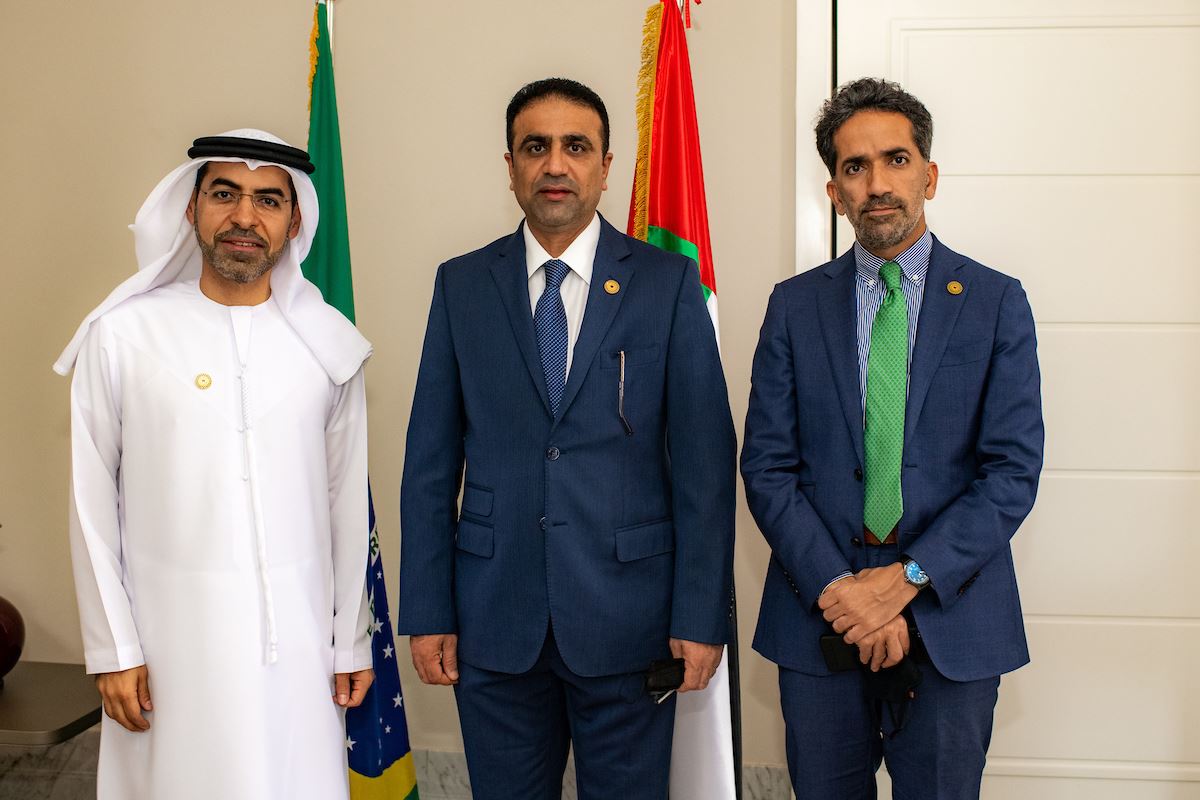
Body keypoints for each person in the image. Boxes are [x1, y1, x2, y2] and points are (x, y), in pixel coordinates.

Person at [397, 78, 736, 800]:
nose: (556, 165)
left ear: (606, 165)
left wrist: (700, 616)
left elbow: (705, 469)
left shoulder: (666, 284)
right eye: (536, 147)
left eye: (575, 147)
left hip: (631, 620)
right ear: (511, 165)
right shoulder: (461, 285)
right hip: (493, 621)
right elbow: (429, 463)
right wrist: (427, 612)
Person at [741, 78, 1044, 799]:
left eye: (896, 160)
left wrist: (904, 583)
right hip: (819, 615)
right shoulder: (793, 306)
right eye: (855, 167)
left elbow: (1011, 471)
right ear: (833, 189)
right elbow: (767, 467)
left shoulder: (997, 302)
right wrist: (844, 591)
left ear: (929, 175)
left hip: (953, 618)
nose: (878, 183)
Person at [55, 130, 376, 800]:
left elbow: (348, 510)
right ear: (190, 210)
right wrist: (114, 650)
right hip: (170, 650)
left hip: (297, 649)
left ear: (293, 224)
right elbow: (90, 505)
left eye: (268, 200)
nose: (244, 217)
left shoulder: (328, 348)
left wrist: (349, 642)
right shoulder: (121, 336)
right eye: (224, 194)